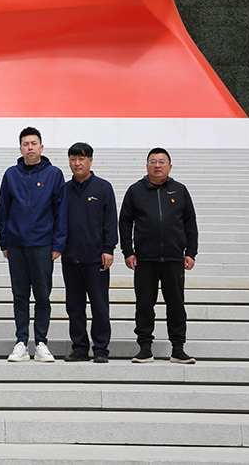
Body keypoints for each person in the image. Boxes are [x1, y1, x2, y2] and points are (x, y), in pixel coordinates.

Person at [120, 147, 198, 364]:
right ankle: (145, 348)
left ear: (170, 166)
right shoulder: (135, 190)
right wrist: (128, 252)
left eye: (162, 162)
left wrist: (191, 252)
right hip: (145, 259)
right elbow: (125, 222)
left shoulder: (180, 190)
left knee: (176, 304)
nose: (157, 165)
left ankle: (178, 348)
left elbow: (190, 223)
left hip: (174, 258)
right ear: (146, 166)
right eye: (153, 161)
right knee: (144, 305)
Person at [0, 126, 67, 363]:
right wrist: (5, 241)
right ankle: (21, 343)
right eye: (26, 144)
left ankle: (41, 343)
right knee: (20, 295)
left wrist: (57, 244)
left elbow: (60, 212)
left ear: (41, 147)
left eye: (34, 143)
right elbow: (3, 211)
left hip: (43, 245)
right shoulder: (11, 174)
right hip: (16, 245)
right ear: (20, 148)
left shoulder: (54, 174)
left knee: (43, 296)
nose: (30, 148)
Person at [61, 142, 117, 364]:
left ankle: (101, 348)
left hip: (96, 259)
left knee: (100, 305)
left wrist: (108, 249)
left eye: (82, 159)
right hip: (70, 257)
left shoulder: (103, 188)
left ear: (90, 161)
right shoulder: (64, 189)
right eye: (73, 159)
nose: (77, 163)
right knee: (74, 306)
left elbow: (110, 221)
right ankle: (80, 348)